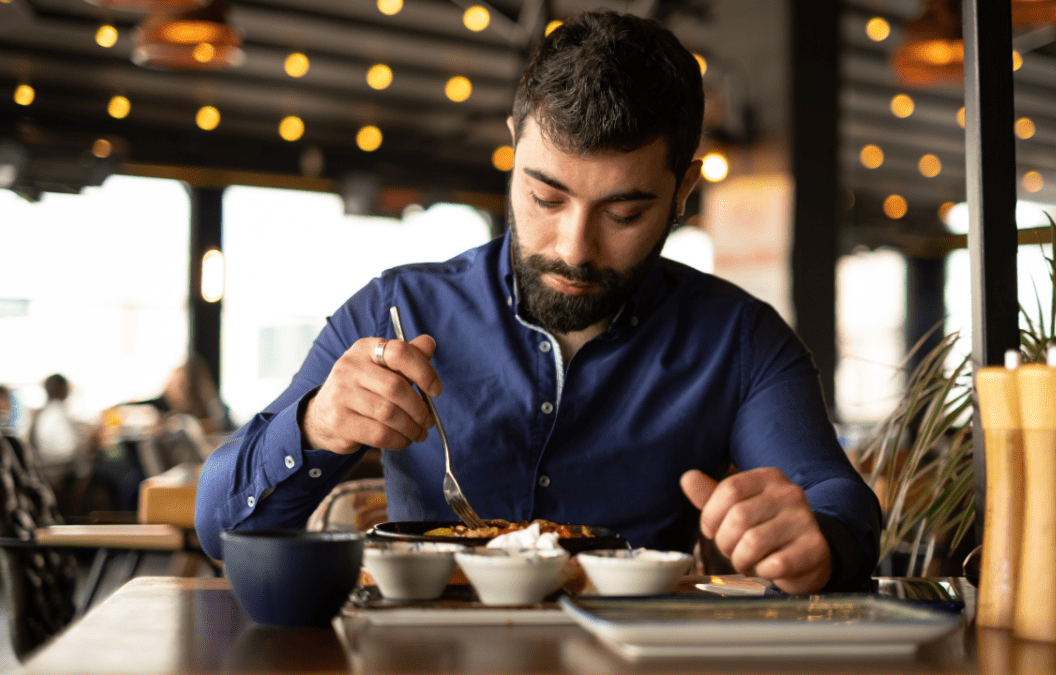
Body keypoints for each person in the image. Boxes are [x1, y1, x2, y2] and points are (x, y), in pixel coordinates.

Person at [196, 10, 881, 592]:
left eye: (624, 212)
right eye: (546, 197)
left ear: (683, 191)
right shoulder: (398, 309)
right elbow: (217, 526)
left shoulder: (738, 339)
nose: (574, 248)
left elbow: (838, 498)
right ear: (513, 149)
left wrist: (814, 537)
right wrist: (315, 426)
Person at [29, 374, 81, 466]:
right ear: (62, 390)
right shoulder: (59, 411)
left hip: (45, 461)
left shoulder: (45, 411)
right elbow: (69, 448)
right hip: (58, 464)